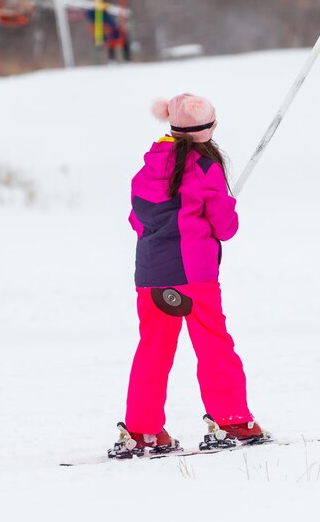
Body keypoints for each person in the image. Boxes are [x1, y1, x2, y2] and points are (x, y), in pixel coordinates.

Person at [108, 93, 269, 459]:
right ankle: (232, 421)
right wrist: (225, 204)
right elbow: (225, 227)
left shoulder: (148, 168)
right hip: (194, 276)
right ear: (207, 130)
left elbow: (137, 219)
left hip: (151, 275)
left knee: (153, 349)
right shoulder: (206, 168)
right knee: (213, 345)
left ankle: (142, 430)